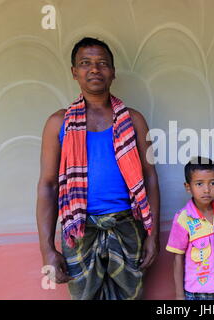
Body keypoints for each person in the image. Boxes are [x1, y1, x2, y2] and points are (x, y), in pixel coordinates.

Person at [36, 37, 160, 300]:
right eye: (85, 63)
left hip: (127, 225)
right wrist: (46, 248)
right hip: (80, 230)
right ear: (74, 72)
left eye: (102, 63)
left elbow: (150, 178)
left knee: (132, 296)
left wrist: (152, 236)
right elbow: (48, 186)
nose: (94, 69)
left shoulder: (134, 120)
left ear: (113, 72)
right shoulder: (58, 123)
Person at [166, 157, 214, 300]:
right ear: (188, 187)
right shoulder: (184, 219)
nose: (206, 189)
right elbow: (177, 259)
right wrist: (179, 295)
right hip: (197, 293)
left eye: (212, 183)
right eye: (199, 184)